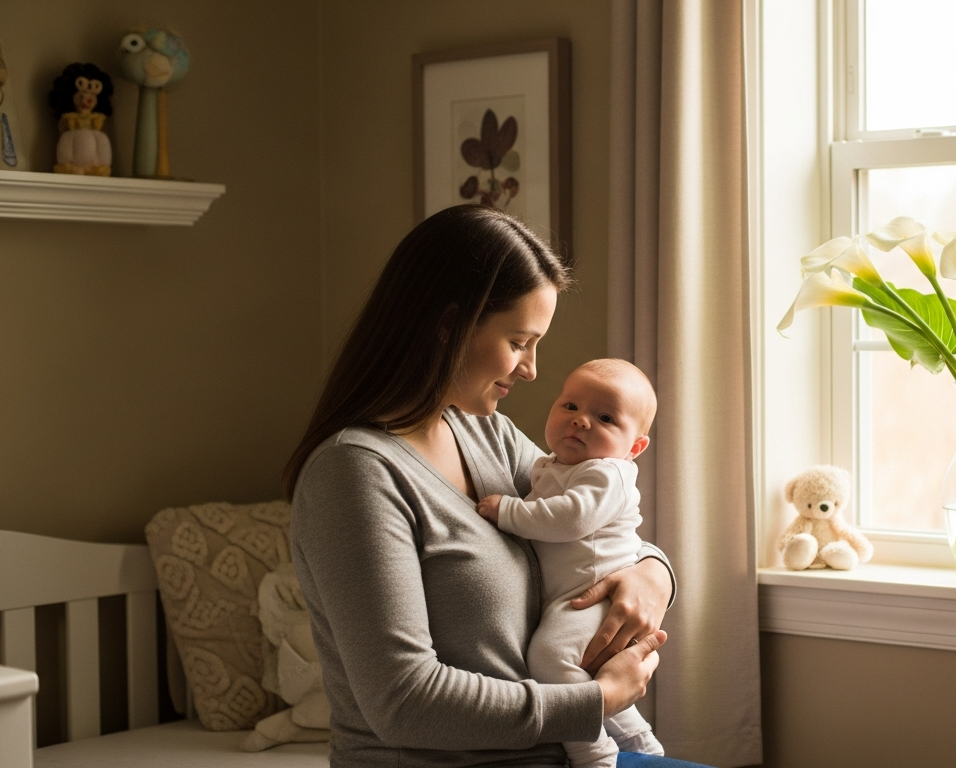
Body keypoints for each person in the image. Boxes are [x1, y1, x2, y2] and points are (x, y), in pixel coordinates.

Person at [284, 205, 690, 768]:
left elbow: (597, 518)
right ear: (448, 325)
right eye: (520, 341)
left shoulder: (488, 435)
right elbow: (403, 702)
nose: (530, 370)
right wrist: (597, 700)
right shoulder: (354, 474)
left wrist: (654, 574)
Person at [476, 359, 665, 767]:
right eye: (571, 407)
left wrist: (508, 512)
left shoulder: (607, 472)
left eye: (605, 417)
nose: (581, 422)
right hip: (572, 594)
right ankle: (638, 739)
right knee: (582, 673)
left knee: (549, 657)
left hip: (592, 595)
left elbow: (570, 517)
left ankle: (594, 752)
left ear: (634, 447)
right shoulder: (552, 465)